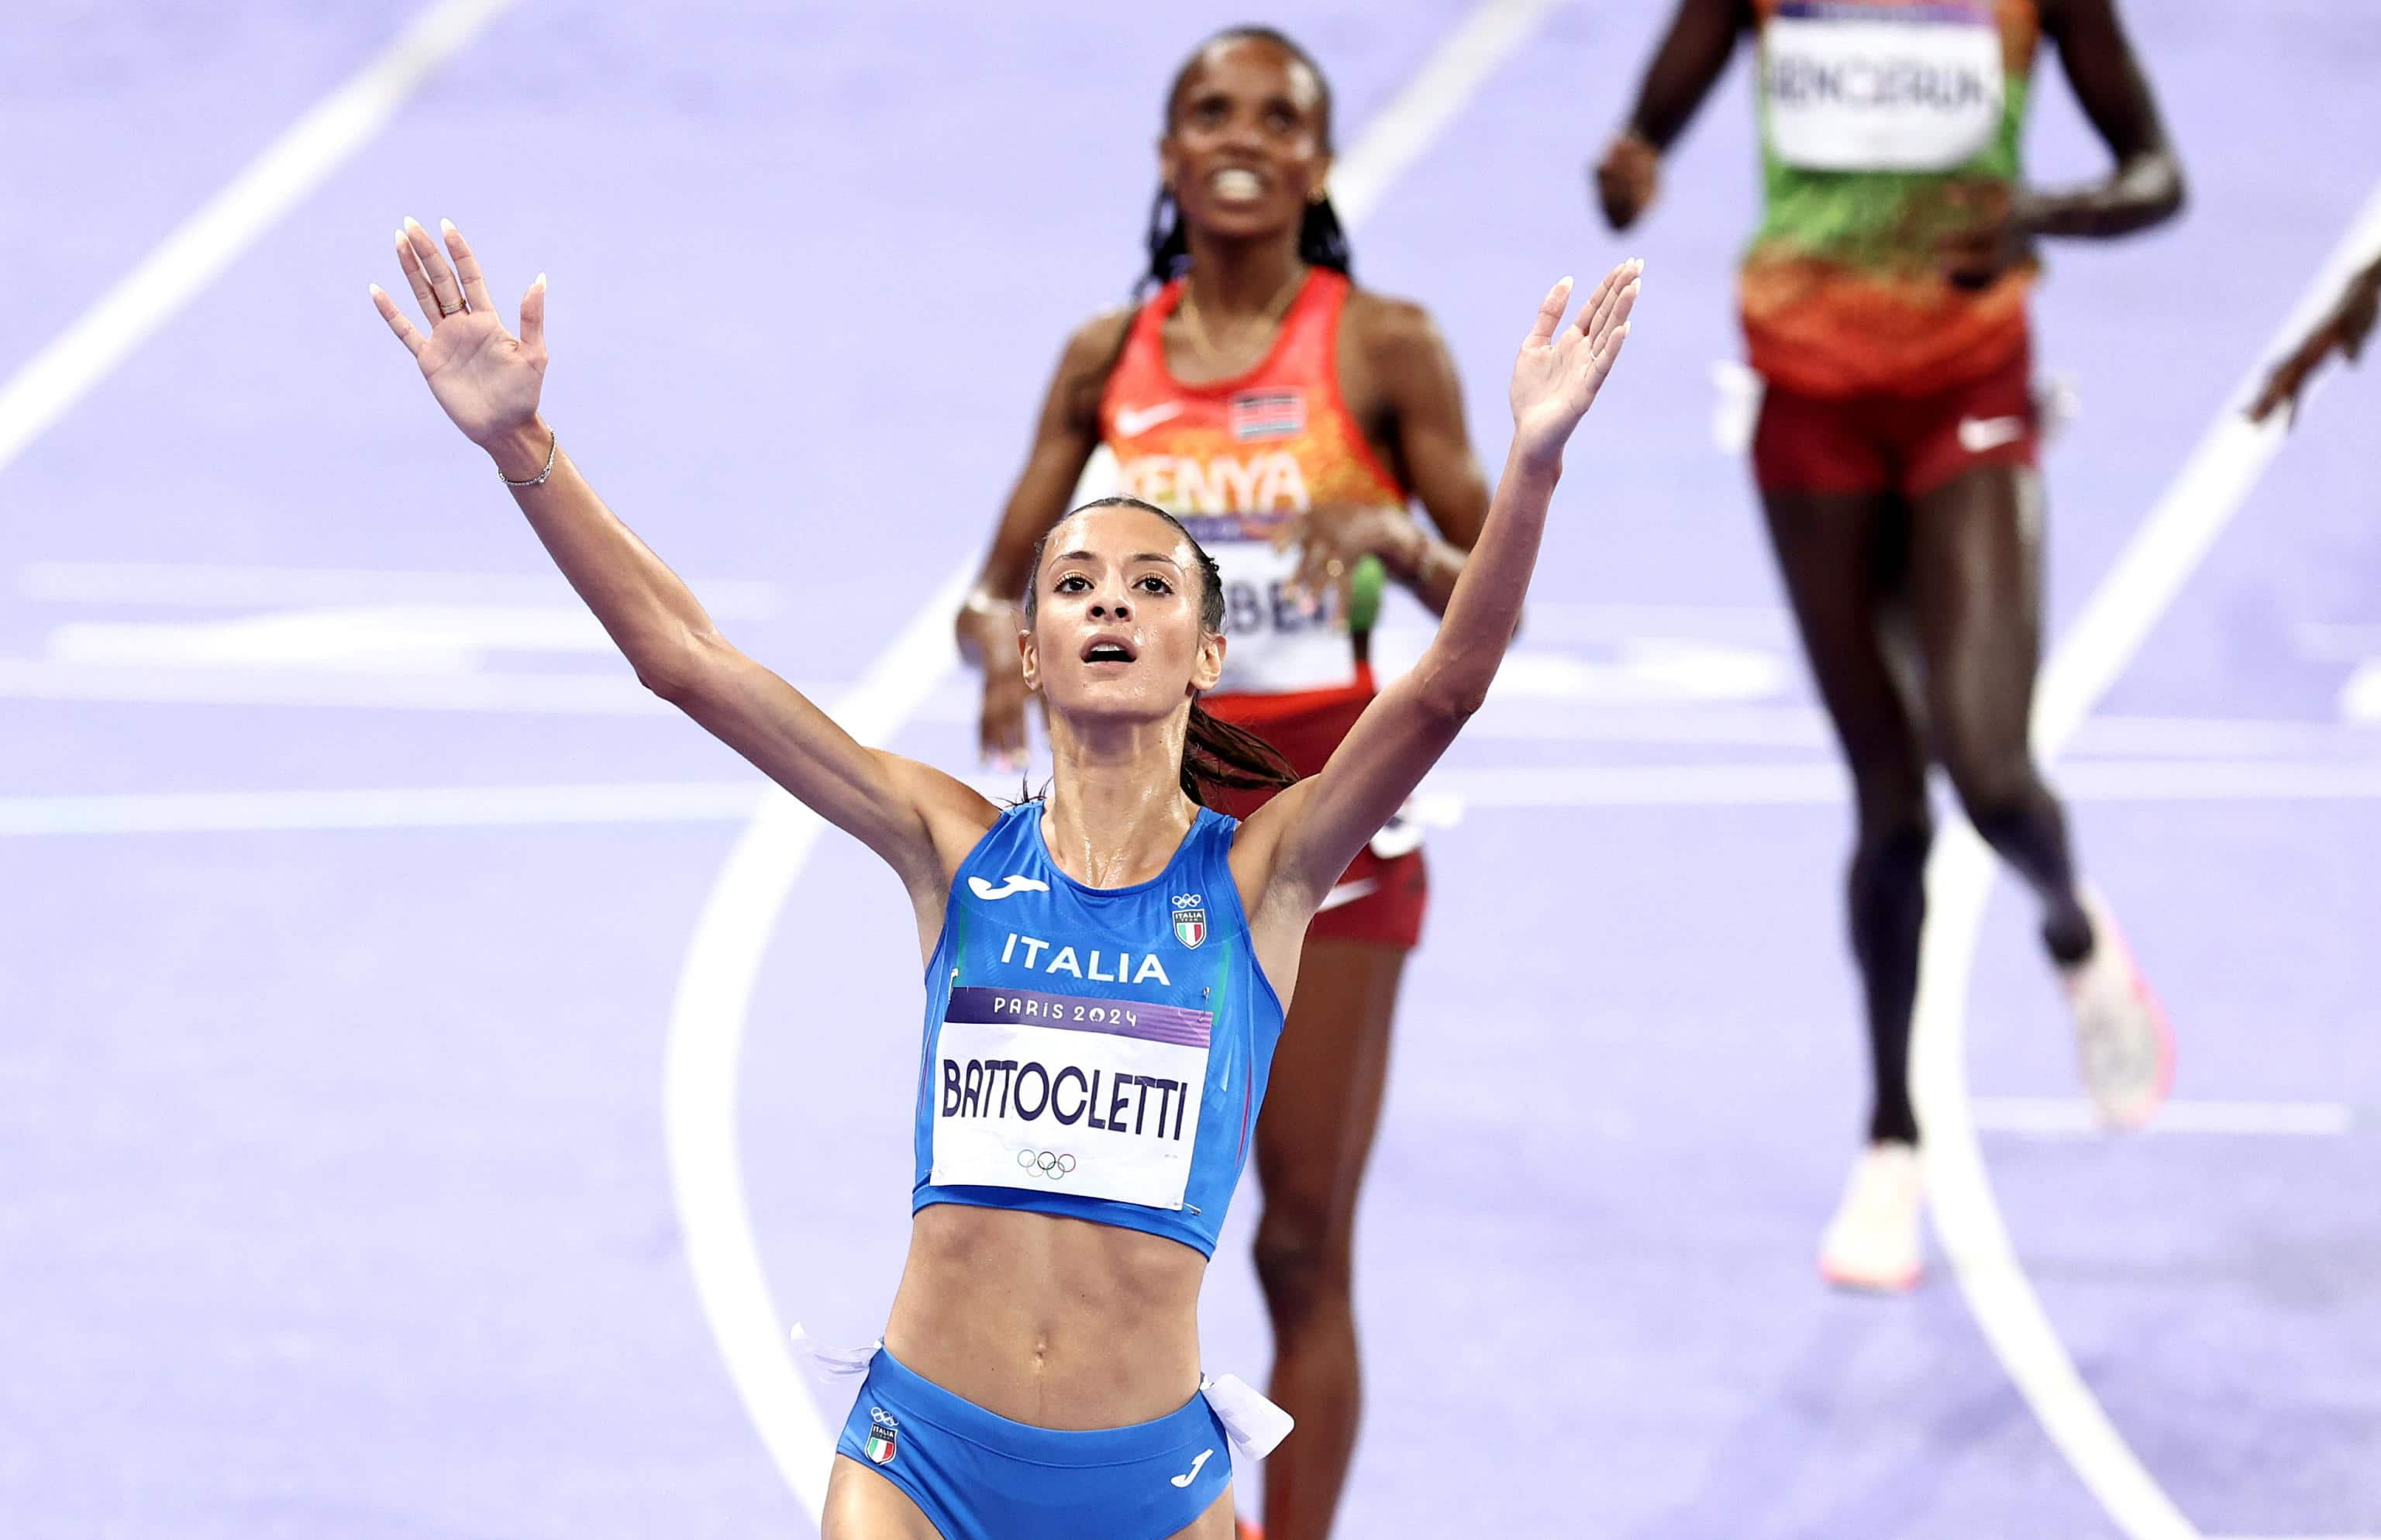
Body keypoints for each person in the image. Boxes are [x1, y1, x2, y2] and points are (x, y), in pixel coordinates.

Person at [370, 214, 1638, 1540]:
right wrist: (529, 456)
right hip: (919, 1462)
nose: (1109, 603)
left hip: (1146, 1489)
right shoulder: (949, 844)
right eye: (1074, 583)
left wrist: (1532, 468)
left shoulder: (1265, 878)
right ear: (1028, 652)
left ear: (1206, 652)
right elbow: (685, 657)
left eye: (1152, 586)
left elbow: (1444, 689)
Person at [953, 29, 1492, 1538]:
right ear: (1169, 156)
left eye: (1280, 117)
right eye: (1211, 112)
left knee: (1301, 1246)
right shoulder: (1101, 364)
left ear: (1319, 164)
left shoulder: (1380, 346)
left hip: (1329, 830)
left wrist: (1390, 534)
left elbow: (1489, 589)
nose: (1243, 137)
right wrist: (1002, 651)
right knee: (1103, 1238)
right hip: (1140, 843)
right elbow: (991, 589)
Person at [1593, 0, 2182, 1291]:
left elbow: (2157, 175)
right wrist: (1627, 168)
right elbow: (1640, 139)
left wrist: (2041, 216)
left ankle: (2072, 929)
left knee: (1985, 766)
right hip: (1803, 398)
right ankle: (1889, 1142)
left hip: (1966, 383)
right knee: (1885, 797)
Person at [2250, 250, 2381, 426]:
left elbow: (2292, 376)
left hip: (2340, 325)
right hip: (2342, 327)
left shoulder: (2282, 379)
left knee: (2365, 285)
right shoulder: (2286, 382)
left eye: (2266, 407)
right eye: (2267, 409)